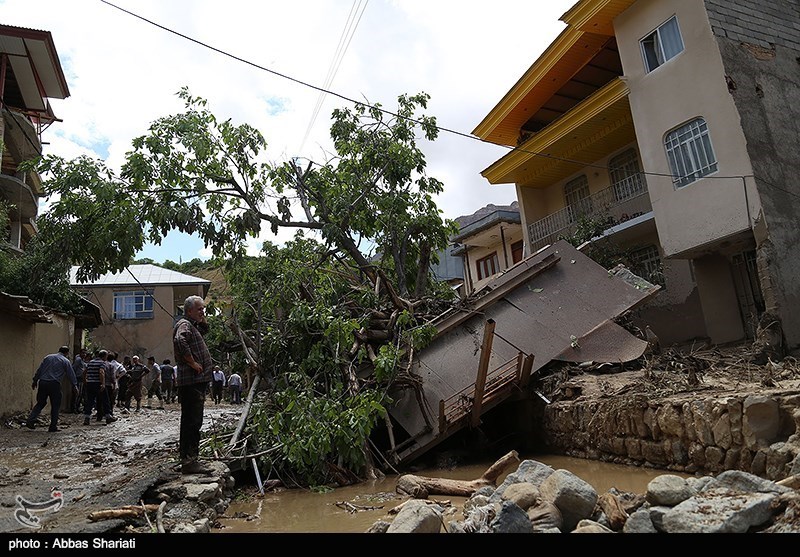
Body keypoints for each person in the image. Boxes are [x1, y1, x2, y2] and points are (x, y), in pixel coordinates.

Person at [173, 295, 213, 474]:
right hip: (192, 381)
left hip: (195, 381)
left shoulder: (192, 325)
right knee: (192, 421)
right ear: (189, 310)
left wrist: (202, 318)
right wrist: (192, 363)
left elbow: (204, 330)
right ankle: (190, 461)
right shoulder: (184, 325)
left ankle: (189, 459)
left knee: (191, 420)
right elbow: (180, 341)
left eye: (203, 309)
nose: (202, 311)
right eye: (199, 309)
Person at [26, 346, 78, 432]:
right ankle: (53, 426)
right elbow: (70, 374)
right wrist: (74, 385)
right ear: (67, 353)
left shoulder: (48, 357)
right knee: (55, 405)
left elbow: (40, 369)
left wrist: (35, 380)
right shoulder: (65, 361)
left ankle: (30, 419)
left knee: (40, 403)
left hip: (43, 382)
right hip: (54, 384)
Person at [83, 349, 116, 426]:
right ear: (104, 356)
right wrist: (103, 383)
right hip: (98, 383)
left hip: (90, 383)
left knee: (90, 401)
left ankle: (87, 417)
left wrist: (85, 381)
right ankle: (108, 416)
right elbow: (101, 372)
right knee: (105, 399)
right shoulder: (102, 363)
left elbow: (84, 372)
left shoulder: (90, 362)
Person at [70, 348, 88, 414]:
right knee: (76, 394)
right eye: (83, 353)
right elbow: (74, 368)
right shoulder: (78, 360)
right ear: (80, 353)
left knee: (79, 394)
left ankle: (77, 407)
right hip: (77, 378)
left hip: (81, 379)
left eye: (85, 353)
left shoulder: (82, 361)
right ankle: (74, 408)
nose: (84, 354)